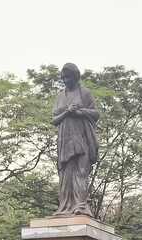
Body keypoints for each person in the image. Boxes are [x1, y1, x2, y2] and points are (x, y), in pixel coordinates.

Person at [53, 62, 99, 216]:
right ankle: (65, 206)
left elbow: (95, 114)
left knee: (81, 171)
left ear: (76, 77)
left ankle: (81, 205)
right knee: (66, 175)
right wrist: (67, 112)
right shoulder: (60, 96)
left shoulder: (85, 93)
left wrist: (80, 111)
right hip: (65, 141)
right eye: (64, 78)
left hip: (82, 137)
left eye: (68, 77)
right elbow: (54, 120)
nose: (66, 80)